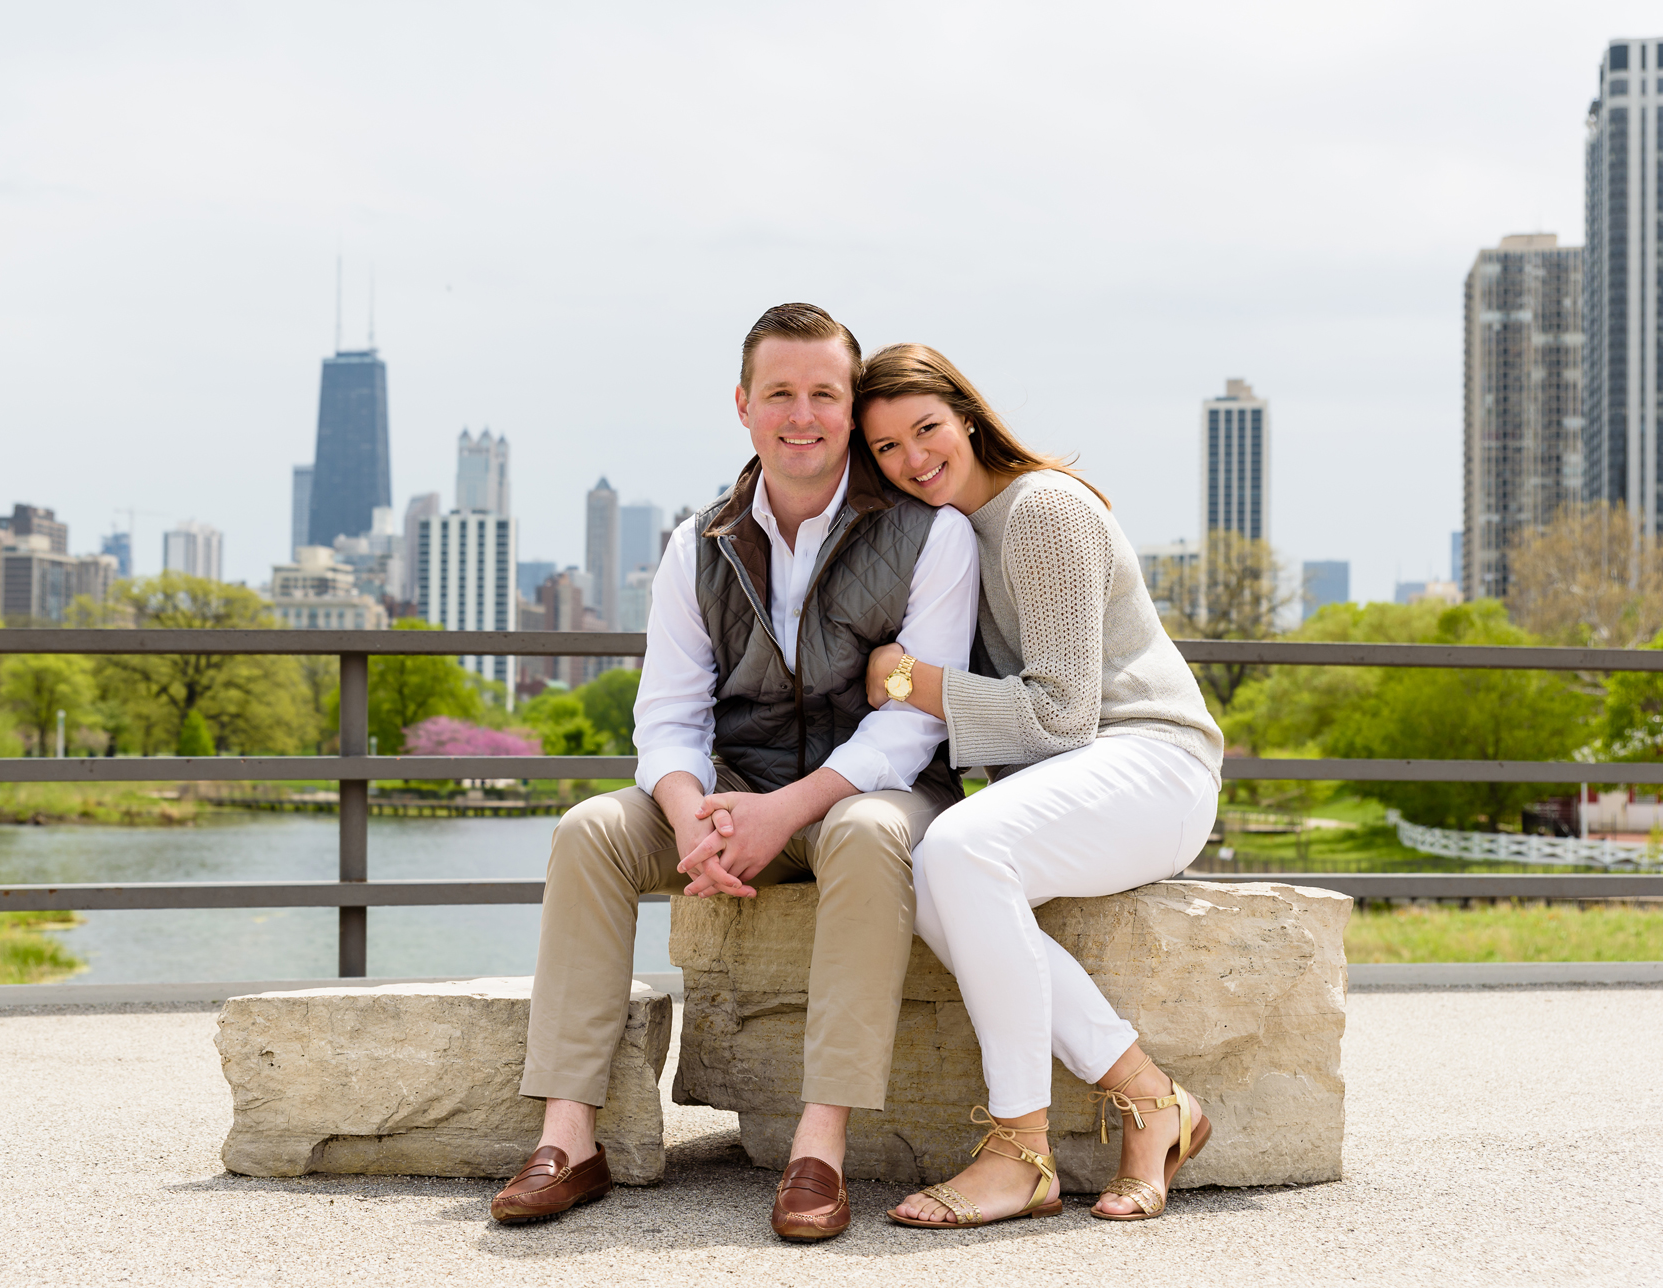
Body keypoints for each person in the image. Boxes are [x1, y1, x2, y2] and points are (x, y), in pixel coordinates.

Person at [490, 305, 978, 1241]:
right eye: (782, 393)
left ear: (849, 406)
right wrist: (689, 818)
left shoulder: (931, 537)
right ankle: (567, 1136)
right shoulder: (697, 543)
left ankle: (818, 1147)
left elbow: (906, 731)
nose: (804, 414)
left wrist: (778, 813)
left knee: (872, 830)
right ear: (745, 406)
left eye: (825, 394)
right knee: (590, 828)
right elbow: (667, 716)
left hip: (870, 797)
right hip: (729, 793)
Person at [855, 343, 1225, 1228]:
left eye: (927, 429)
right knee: (934, 882)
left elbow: (1061, 712)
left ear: (969, 419)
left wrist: (907, 679)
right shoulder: (958, 535)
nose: (912, 458)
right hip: (1089, 777)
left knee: (961, 845)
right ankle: (1150, 1100)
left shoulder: (1042, 509)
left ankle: (1020, 1149)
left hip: (1155, 762)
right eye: (885, 448)